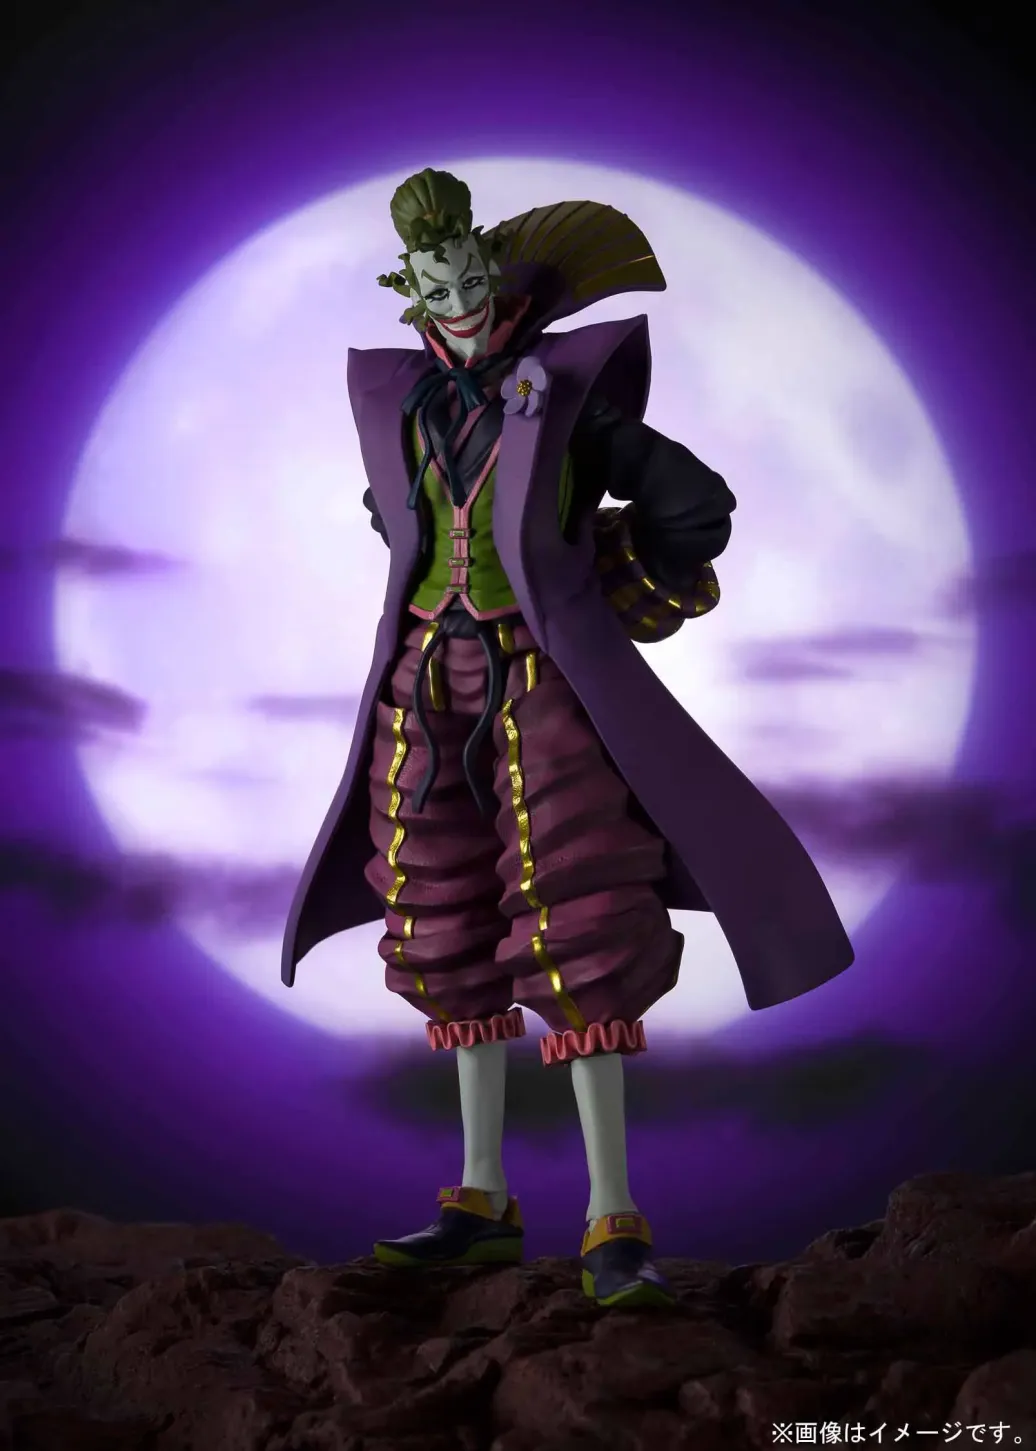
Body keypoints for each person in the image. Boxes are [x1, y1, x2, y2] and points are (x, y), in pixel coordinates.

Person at [282, 168, 853, 1307]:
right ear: (411, 286)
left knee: (578, 918)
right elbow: (393, 514)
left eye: (471, 273)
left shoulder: (563, 396)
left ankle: (612, 1215)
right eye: (437, 279)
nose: (459, 297)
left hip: (536, 677)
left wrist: (615, 581)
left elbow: (693, 502)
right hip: (420, 682)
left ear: (495, 273)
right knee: (440, 918)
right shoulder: (398, 400)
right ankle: (480, 1197)